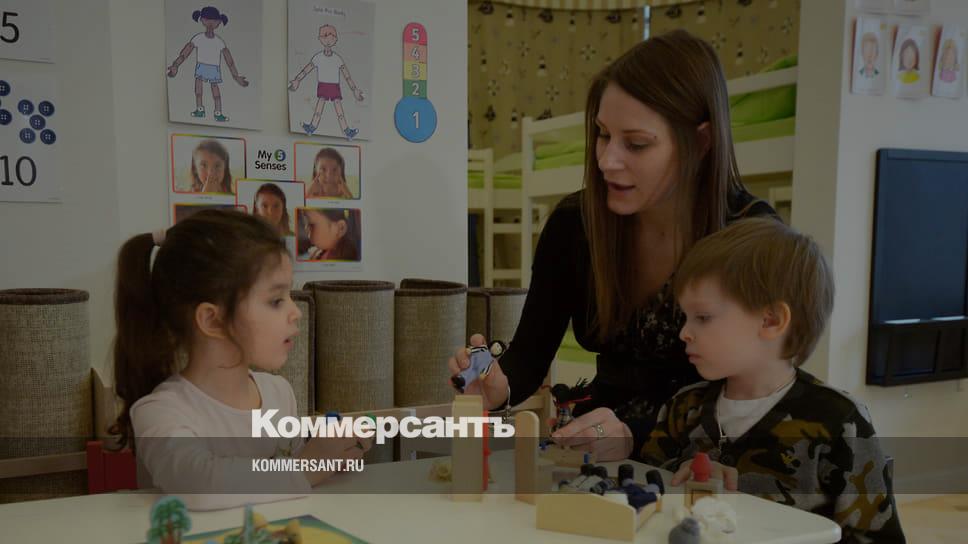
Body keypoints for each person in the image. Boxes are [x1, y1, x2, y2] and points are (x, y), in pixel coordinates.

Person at [448, 30, 778, 461]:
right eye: (603, 135)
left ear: (700, 143)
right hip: (597, 440)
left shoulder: (751, 239)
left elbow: (757, 394)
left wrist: (634, 434)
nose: (606, 161)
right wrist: (497, 386)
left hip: (709, 456)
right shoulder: (575, 224)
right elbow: (528, 355)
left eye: (636, 144)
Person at [640, 218, 905, 543]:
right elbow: (644, 498)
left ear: (772, 321)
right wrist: (685, 475)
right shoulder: (682, 408)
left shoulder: (840, 420)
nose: (684, 332)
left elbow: (879, 538)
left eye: (703, 317)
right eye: (685, 317)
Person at [110, 210, 372, 511]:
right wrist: (308, 467)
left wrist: (334, 454)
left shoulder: (279, 392)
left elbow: (289, 475)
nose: (296, 312)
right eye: (276, 300)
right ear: (212, 320)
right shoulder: (160, 412)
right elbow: (200, 486)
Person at [166, 5, 249, 122]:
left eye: (214, 21)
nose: (210, 23)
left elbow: (229, 61)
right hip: (201, 66)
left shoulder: (219, 42)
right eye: (207, 20)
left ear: (218, 23)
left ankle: (218, 113)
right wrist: (176, 65)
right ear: (202, 20)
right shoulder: (198, 38)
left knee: (215, 91)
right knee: (198, 89)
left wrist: (236, 77)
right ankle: (200, 109)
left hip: (214, 68)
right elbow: (185, 53)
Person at [288, 24, 365, 140]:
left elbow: (347, 76)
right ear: (320, 39)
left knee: (339, 110)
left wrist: (355, 90)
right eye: (325, 36)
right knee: (319, 108)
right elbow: (306, 70)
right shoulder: (318, 57)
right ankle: (312, 127)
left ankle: (347, 131)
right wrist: (297, 80)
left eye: (331, 37)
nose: (328, 40)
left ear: (335, 39)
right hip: (323, 85)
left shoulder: (337, 58)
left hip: (334, 86)